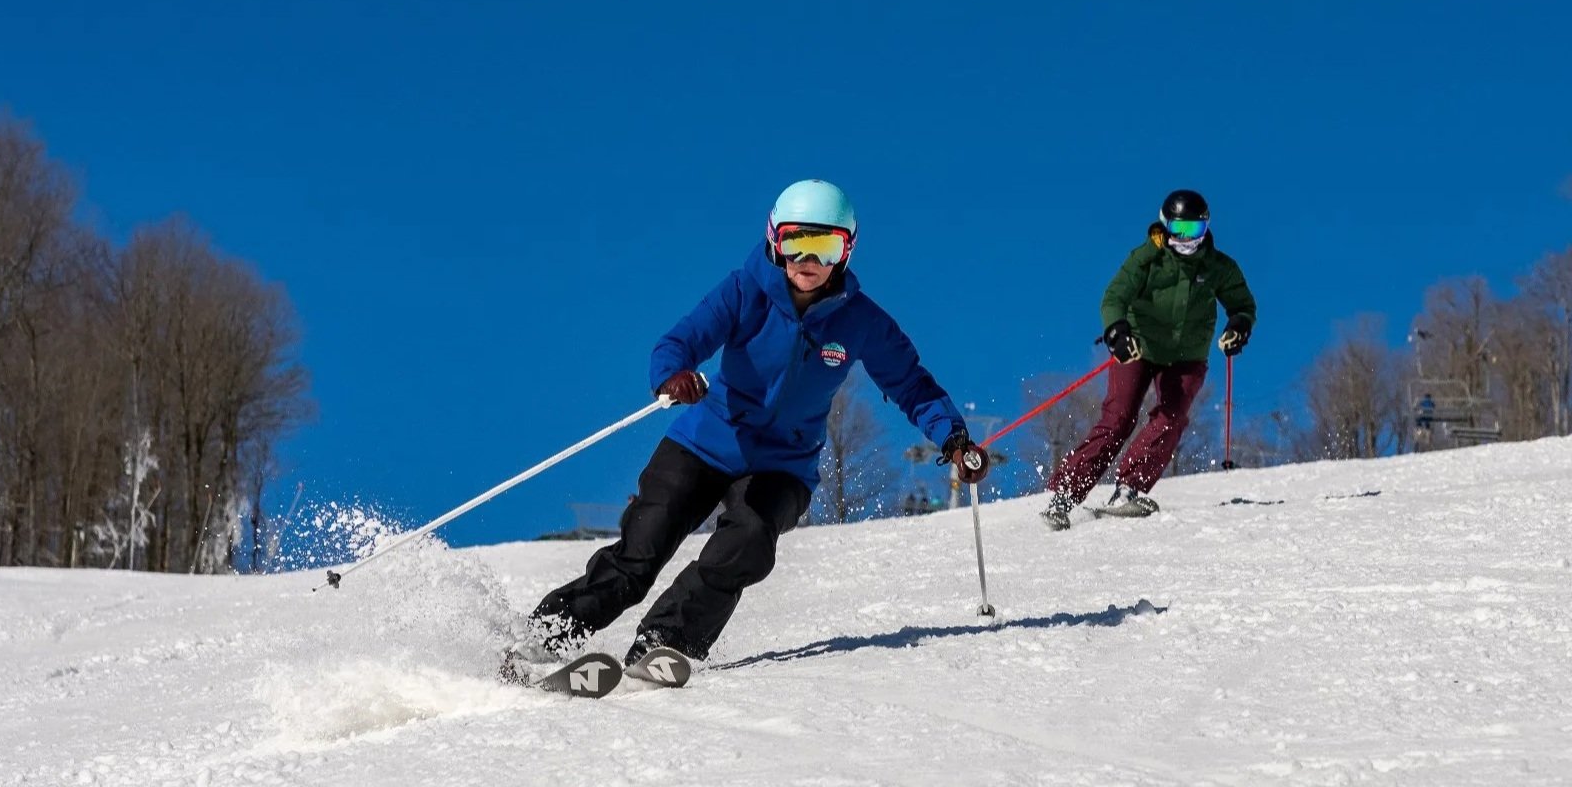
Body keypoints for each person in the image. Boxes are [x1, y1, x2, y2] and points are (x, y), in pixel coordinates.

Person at [508, 180, 989, 675]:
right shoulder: (744, 290)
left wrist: (954, 438)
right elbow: (681, 340)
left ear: (846, 252)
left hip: (783, 465)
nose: (808, 259)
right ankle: (544, 638)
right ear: (774, 241)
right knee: (640, 553)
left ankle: (665, 641)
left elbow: (913, 384)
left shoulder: (861, 321)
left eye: (825, 246)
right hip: (704, 443)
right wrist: (674, 376)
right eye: (795, 242)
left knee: (747, 542)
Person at [1042, 189, 1255, 530]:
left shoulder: (1218, 267)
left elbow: (1242, 305)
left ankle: (1128, 489)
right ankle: (1065, 495)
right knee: (1118, 419)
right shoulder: (1146, 258)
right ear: (1164, 225)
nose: (1186, 240)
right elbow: (1114, 296)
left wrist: (1239, 327)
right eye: (1179, 230)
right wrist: (1117, 332)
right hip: (1138, 348)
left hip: (1187, 355)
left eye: (1195, 231)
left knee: (1172, 416)